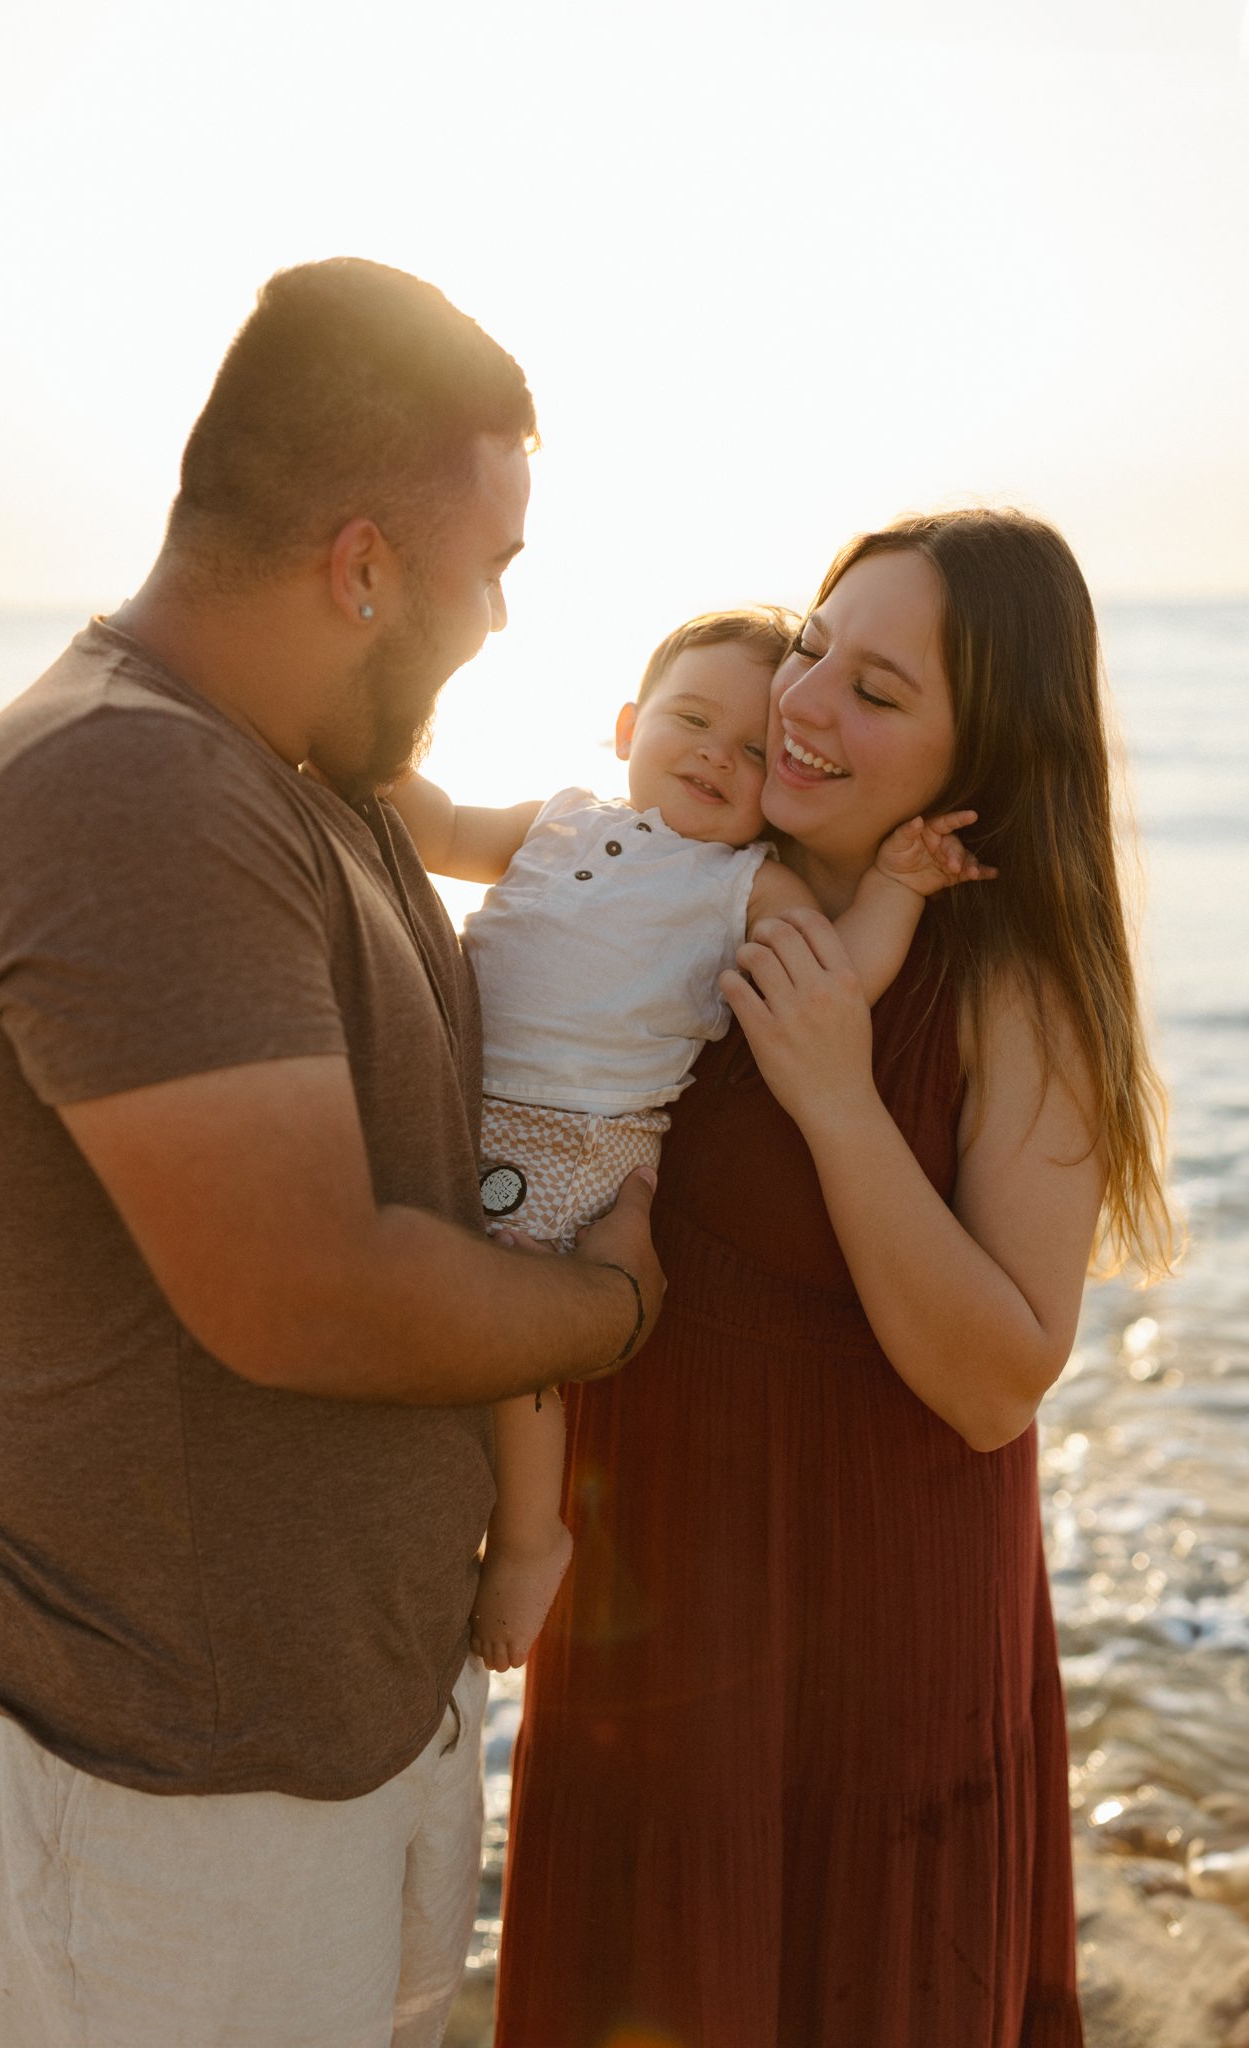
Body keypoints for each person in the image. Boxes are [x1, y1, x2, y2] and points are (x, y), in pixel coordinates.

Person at [0, 258, 668, 2048]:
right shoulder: (128, 788)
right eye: (495, 569)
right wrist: (611, 1308)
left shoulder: (302, 778)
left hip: (342, 1731)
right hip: (185, 1796)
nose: (497, 620)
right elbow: (308, 1295)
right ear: (365, 562)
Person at [494, 510, 1175, 2048]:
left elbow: (1000, 1379)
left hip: (882, 1662)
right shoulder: (679, 885)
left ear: (981, 749)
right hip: (644, 1639)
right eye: (812, 644)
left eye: (876, 690)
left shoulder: (1013, 979)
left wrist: (836, 1095)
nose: (801, 702)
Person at [389, 608, 991, 1671]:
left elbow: (837, 977)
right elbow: (434, 828)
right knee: (412, 1288)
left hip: (582, 1140)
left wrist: (896, 887)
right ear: (628, 725)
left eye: (756, 749)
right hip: (454, 1104)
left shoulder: (744, 884)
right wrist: (366, 746)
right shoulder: (555, 819)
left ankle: (530, 1537)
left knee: (518, 1330)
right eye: (691, 718)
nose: (718, 751)